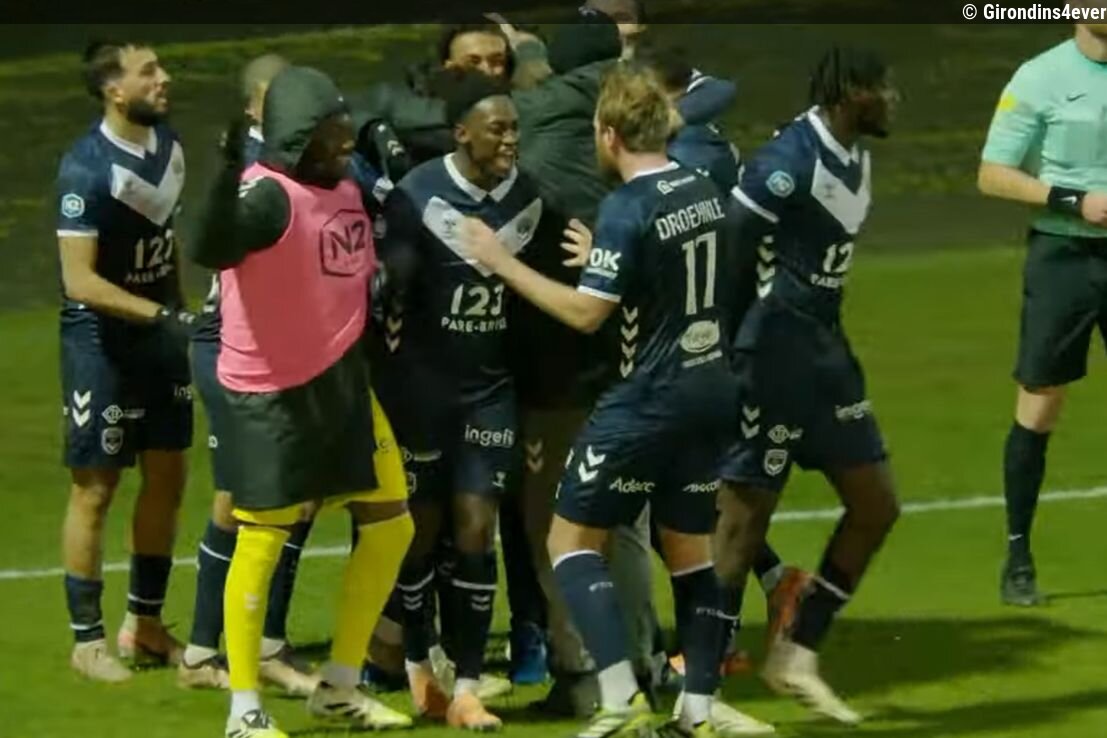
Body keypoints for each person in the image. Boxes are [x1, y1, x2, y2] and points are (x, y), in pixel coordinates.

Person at [463, 61, 771, 738]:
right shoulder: (701, 186)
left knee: (569, 543)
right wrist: (607, 260)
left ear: (607, 135)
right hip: (711, 388)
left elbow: (585, 315)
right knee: (689, 550)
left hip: (648, 400)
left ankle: (620, 697)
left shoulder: (627, 207)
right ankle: (698, 709)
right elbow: (683, 277)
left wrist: (501, 260)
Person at [189, 65, 414, 738]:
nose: (344, 141)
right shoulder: (267, 196)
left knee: (392, 524)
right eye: (330, 131)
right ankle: (244, 709)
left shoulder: (343, 186)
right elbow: (209, 246)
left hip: (342, 384)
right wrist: (224, 176)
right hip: (274, 394)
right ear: (296, 135)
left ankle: (338, 686)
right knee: (262, 540)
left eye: (345, 127)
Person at [713, 47, 901, 725]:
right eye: (883, 86)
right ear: (851, 92)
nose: (893, 98)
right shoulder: (785, 163)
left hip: (825, 352)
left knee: (875, 504)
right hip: (770, 355)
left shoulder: (855, 156)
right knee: (742, 518)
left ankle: (795, 654)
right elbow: (731, 251)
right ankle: (698, 693)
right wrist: (726, 351)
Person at [373, 69, 556, 731]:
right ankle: (420, 663)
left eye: (514, 128)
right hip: (421, 395)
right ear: (461, 133)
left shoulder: (531, 198)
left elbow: (543, 297)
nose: (510, 139)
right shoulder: (416, 196)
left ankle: (469, 686)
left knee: (477, 528)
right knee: (419, 534)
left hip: (490, 392)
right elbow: (387, 299)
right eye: (497, 129)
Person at [178, 52, 319, 696]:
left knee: (292, 496)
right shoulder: (258, 171)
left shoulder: (300, 161)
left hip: (278, 348)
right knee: (247, 497)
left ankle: (245, 644)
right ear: (255, 107)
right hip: (235, 347)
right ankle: (218, 651)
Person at [56, 39, 195, 682]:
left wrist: (179, 312)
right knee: (96, 485)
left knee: (168, 473)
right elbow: (79, 281)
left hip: (158, 334)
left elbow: (164, 241)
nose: (164, 78)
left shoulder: (170, 148)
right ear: (115, 90)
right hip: (101, 342)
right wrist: (162, 317)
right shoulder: (85, 169)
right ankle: (87, 642)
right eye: (148, 72)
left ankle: (145, 626)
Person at [977, 19, 1107, 606]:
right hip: (1064, 256)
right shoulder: (1040, 77)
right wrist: (1074, 200)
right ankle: (1018, 557)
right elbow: (993, 173)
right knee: (1040, 402)